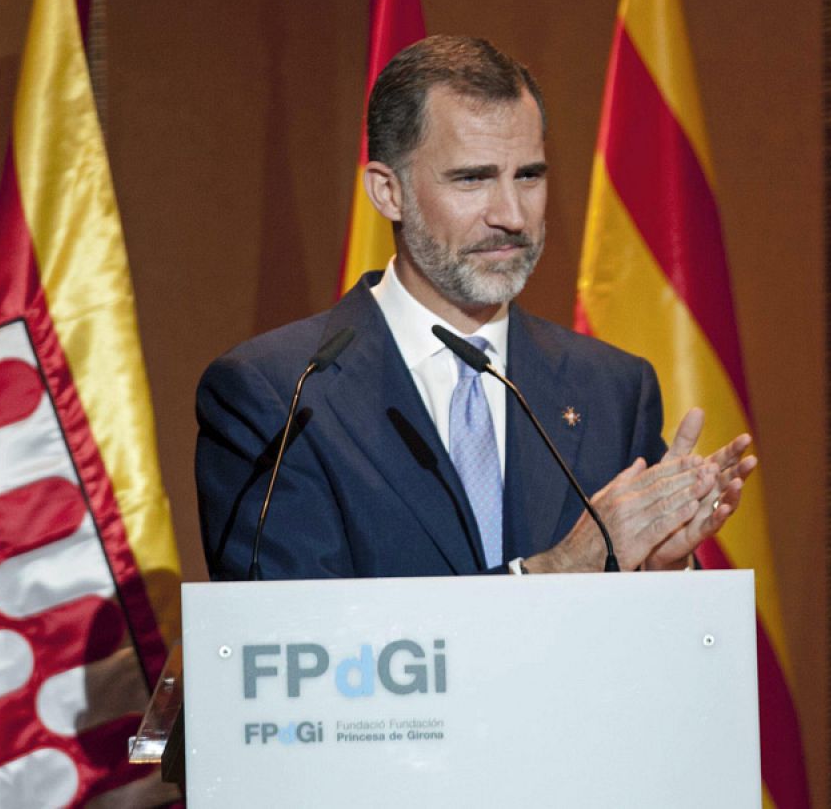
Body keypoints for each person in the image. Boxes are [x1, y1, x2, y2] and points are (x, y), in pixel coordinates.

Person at [196, 35, 754, 580]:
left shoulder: (610, 390)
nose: (511, 214)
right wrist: (551, 571)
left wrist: (660, 569)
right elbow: (294, 645)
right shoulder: (282, 394)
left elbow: (652, 653)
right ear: (388, 193)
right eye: (473, 179)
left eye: (528, 176)